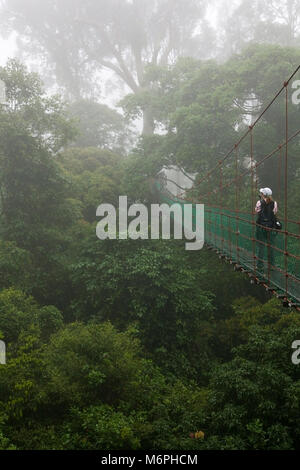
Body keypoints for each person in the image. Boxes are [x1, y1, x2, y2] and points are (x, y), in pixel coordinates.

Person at [255, 187, 278, 272]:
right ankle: (272, 266)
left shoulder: (259, 202)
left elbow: (257, 211)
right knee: (270, 247)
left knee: (261, 246)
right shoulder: (274, 203)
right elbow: (274, 213)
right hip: (270, 228)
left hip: (261, 227)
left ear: (263, 194)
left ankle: (260, 266)